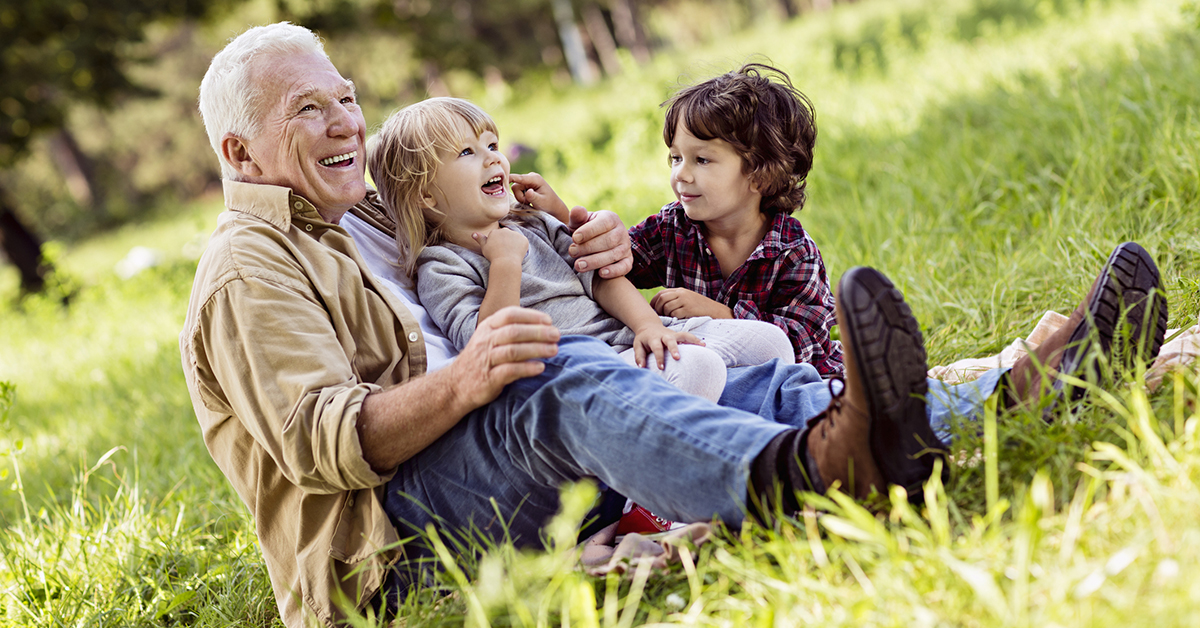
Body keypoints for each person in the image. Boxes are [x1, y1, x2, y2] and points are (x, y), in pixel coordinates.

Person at [181, 22, 1166, 628]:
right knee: (558, 381)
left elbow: (454, 185)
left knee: (747, 380)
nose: (347, 120)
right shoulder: (248, 266)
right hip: (391, 555)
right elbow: (323, 447)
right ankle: (819, 472)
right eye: (310, 109)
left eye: (347, 96)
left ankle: (1014, 384)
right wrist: (476, 371)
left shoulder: (346, 212)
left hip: (474, 468)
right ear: (241, 148)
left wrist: (583, 235)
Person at [368, 96, 795, 403]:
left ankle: (758, 418)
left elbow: (602, 278)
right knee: (700, 368)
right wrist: (504, 263)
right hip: (583, 377)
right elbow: (486, 345)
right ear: (426, 195)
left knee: (768, 342)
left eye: (492, 146)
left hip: (629, 340)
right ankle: (644, 502)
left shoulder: (532, 223)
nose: (492, 159)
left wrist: (649, 326)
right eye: (467, 152)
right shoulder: (442, 266)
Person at [618, 63, 843, 376]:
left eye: (702, 159)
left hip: (797, 380)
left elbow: (805, 342)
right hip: (716, 379)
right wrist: (566, 218)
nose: (680, 174)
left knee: (849, 407)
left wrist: (721, 314)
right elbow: (613, 259)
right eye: (676, 158)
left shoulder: (793, 252)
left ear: (760, 176)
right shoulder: (673, 228)